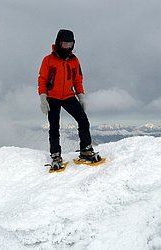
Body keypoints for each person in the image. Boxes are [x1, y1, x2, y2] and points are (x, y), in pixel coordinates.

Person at [38, 29, 101, 172]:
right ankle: (56, 156)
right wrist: (43, 96)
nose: (67, 47)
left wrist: (81, 96)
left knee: (83, 121)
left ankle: (85, 150)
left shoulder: (74, 60)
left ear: (73, 44)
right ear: (58, 43)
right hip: (52, 97)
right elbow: (42, 79)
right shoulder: (48, 60)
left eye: (70, 44)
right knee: (54, 127)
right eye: (64, 43)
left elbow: (78, 79)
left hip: (68, 96)